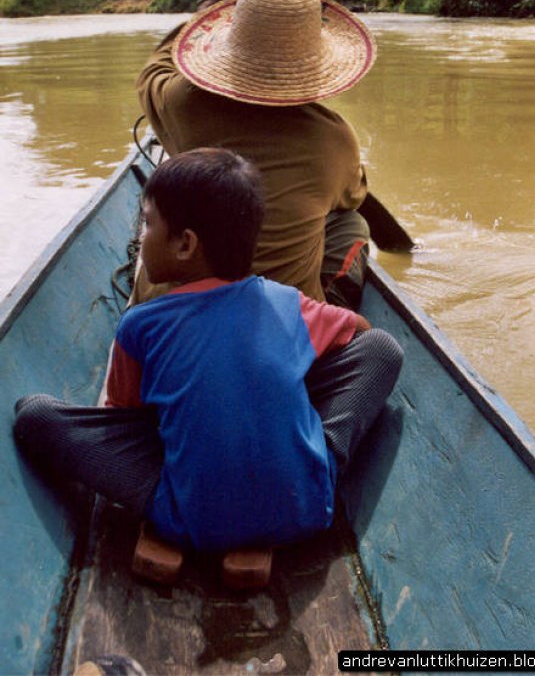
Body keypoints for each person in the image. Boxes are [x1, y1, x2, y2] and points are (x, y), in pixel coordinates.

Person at [14, 149, 403, 553]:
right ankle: (315, 461)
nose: (139, 237)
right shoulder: (288, 303)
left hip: (192, 520)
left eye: (147, 223)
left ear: (185, 244)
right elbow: (364, 333)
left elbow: (125, 423)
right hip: (308, 511)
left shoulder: (139, 326)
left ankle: (188, 498)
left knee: (35, 414)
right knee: (384, 349)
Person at [134, 0, 378, 310]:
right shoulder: (333, 140)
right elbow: (353, 197)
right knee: (352, 222)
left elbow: (153, 71)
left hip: (170, 312)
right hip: (277, 321)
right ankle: (330, 315)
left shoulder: (182, 103)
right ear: (317, 61)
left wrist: (211, 7)